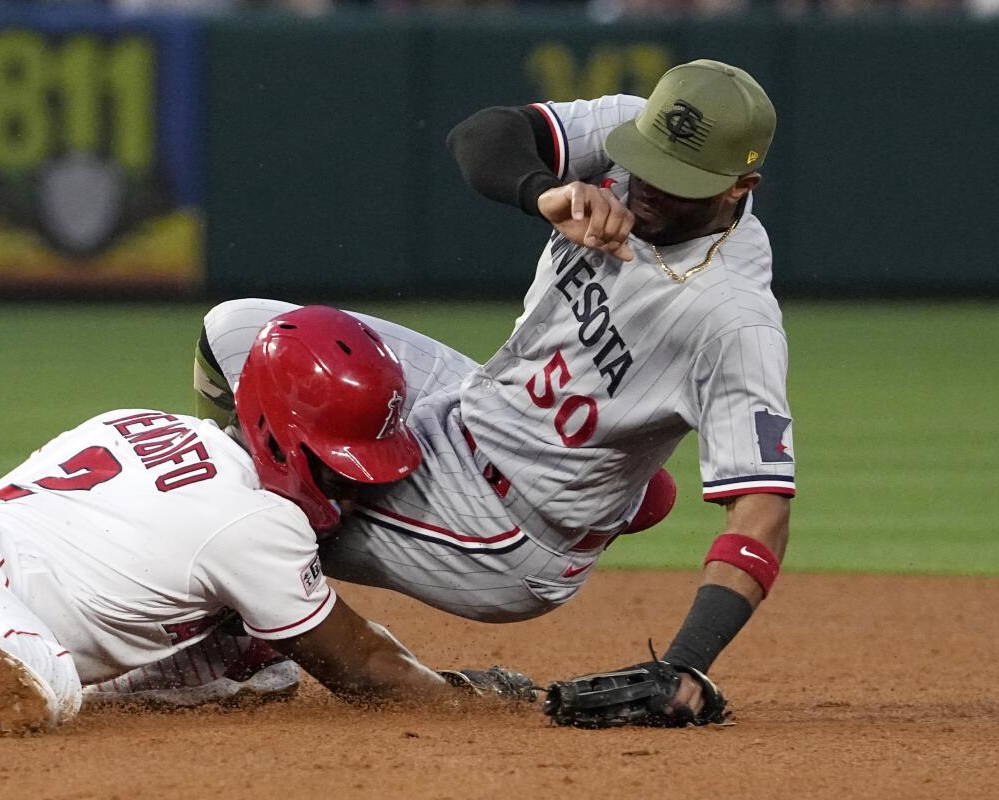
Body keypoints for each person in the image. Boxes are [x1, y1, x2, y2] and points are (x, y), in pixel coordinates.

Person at [190, 60, 793, 721]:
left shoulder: (732, 319)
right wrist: (542, 191)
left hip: (504, 528)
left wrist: (687, 666)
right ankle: (254, 597)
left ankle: (241, 641)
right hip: (474, 397)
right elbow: (481, 135)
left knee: (224, 498)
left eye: (676, 183)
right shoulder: (636, 134)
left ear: (740, 187)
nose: (645, 186)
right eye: (646, 160)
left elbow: (762, 512)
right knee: (242, 333)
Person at [0, 307, 531, 733]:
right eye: (342, 469)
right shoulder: (256, 525)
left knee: (243, 645)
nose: (350, 495)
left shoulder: (135, 421)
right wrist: (476, 699)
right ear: (276, 433)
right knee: (42, 689)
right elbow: (362, 666)